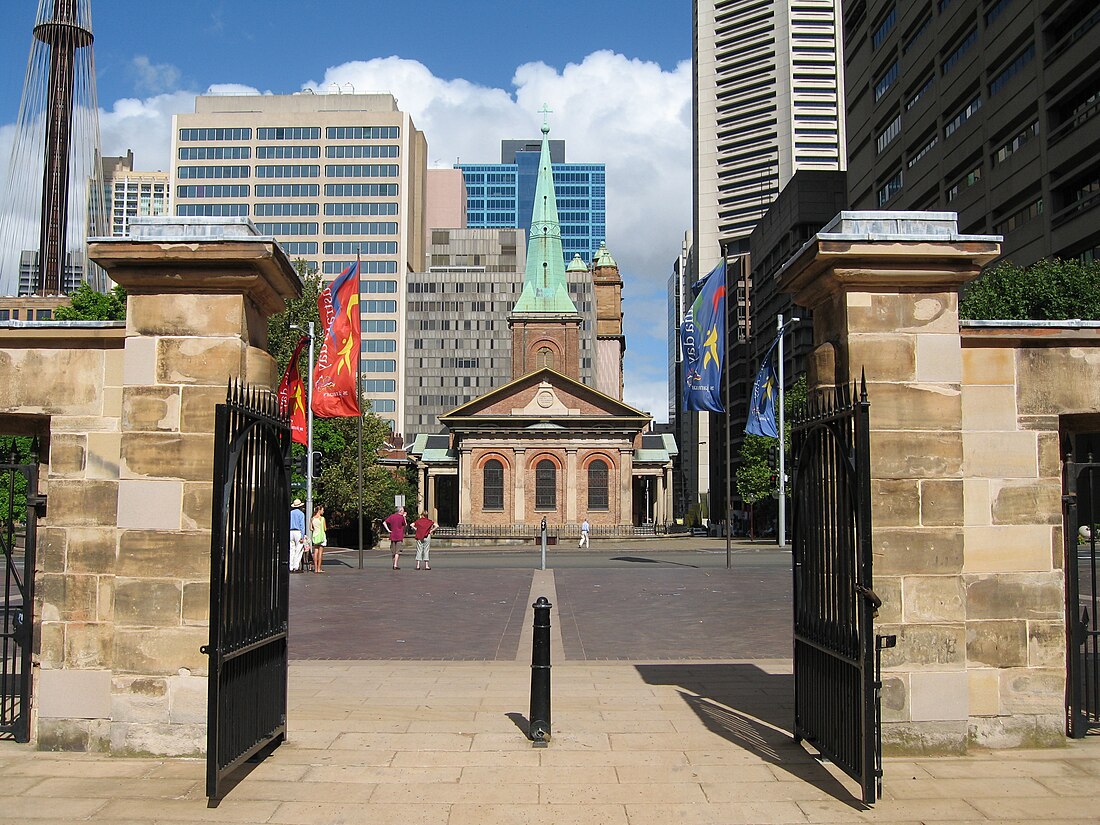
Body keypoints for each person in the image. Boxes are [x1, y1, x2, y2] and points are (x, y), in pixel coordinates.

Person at [289, 498, 306, 572]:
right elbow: (302, 526)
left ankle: (290, 566)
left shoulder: (290, 513)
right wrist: (302, 536)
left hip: (290, 531)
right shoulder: (301, 514)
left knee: (291, 549)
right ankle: (296, 567)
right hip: (298, 532)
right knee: (298, 550)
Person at [311, 504, 328, 573]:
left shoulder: (312, 518)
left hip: (315, 536)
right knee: (320, 553)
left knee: (315, 552)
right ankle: (319, 568)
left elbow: (310, 528)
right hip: (321, 536)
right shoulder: (322, 518)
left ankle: (315, 569)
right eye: (322, 510)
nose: (323, 512)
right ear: (319, 510)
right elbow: (325, 528)